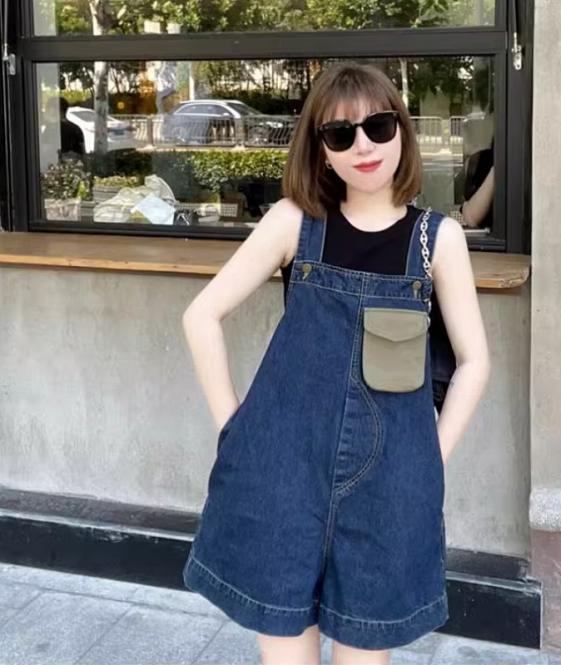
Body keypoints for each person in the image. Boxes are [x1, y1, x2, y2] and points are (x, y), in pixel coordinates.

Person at [181, 62, 490, 665]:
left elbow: (475, 361)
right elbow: (201, 316)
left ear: (401, 131)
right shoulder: (294, 224)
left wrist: (429, 458)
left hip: (390, 483)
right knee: (285, 649)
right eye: (341, 135)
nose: (364, 147)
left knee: (364, 651)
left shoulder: (438, 239)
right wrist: (235, 431)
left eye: (378, 127)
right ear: (321, 151)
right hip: (281, 471)